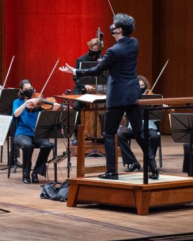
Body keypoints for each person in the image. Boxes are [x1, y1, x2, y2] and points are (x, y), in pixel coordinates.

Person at [59, 13, 158, 180]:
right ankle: (153, 168)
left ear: (118, 30)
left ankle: (112, 171)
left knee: (108, 133)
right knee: (140, 133)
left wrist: (75, 71)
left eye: (113, 25)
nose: (111, 27)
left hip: (118, 96)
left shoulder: (114, 50)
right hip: (133, 94)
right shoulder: (134, 43)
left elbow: (98, 71)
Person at [12, 79, 61, 184]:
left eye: (30, 88)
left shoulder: (38, 103)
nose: (29, 90)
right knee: (27, 145)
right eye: (26, 89)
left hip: (37, 133)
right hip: (22, 134)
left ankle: (36, 172)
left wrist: (53, 109)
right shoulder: (17, 102)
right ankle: (26, 174)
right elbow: (16, 114)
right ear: (21, 91)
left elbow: (47, 115)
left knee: (48, 145)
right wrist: (26, 104)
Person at [117, 76, 160, 173]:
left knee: (155, 136)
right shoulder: (131, 95)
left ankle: (150, 162)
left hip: (148, 125)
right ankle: (133, 161)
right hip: (133, 125)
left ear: (146, 86)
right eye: (138, 86)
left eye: (142, 86)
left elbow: (158, 110)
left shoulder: (150, 96)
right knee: (120, 135)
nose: (141, 88)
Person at [71, 38, 102, 145]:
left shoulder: (103, 59)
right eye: (93, 49)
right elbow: (76, 77)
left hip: (99, 90)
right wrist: (85, 85)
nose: (95, 51)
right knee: (76, 107)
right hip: (82, 89)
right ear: (89, 47)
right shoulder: (81, 59)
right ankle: (77, 135)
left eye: (97, 49)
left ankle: (103, 134)